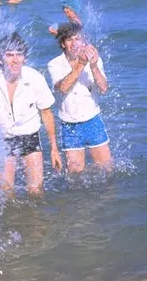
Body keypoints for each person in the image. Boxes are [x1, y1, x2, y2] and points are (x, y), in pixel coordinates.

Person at [0, 33, 62, 198]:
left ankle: (35, 222)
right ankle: (12, 222)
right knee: (6, 193)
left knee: (36, 191)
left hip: (30, 137)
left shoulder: (34, 78)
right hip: (3, 140)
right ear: (0, 59)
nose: (15, 60)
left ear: (24, 58)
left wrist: (54, 149)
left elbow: (47, 113)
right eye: (9, 55)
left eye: (19, 54)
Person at [47, 22, 113, 175]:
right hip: (70, 124)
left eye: (78, 39)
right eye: (70, 40)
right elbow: (62, 88)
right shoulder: (54, 64)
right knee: (75, 174)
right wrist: (81, 64)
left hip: (93, 119)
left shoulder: (95, 59)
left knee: (107, 169)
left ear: (83, 42)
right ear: (63, 44)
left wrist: (94, 66)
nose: (74, 44)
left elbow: (103, 89)